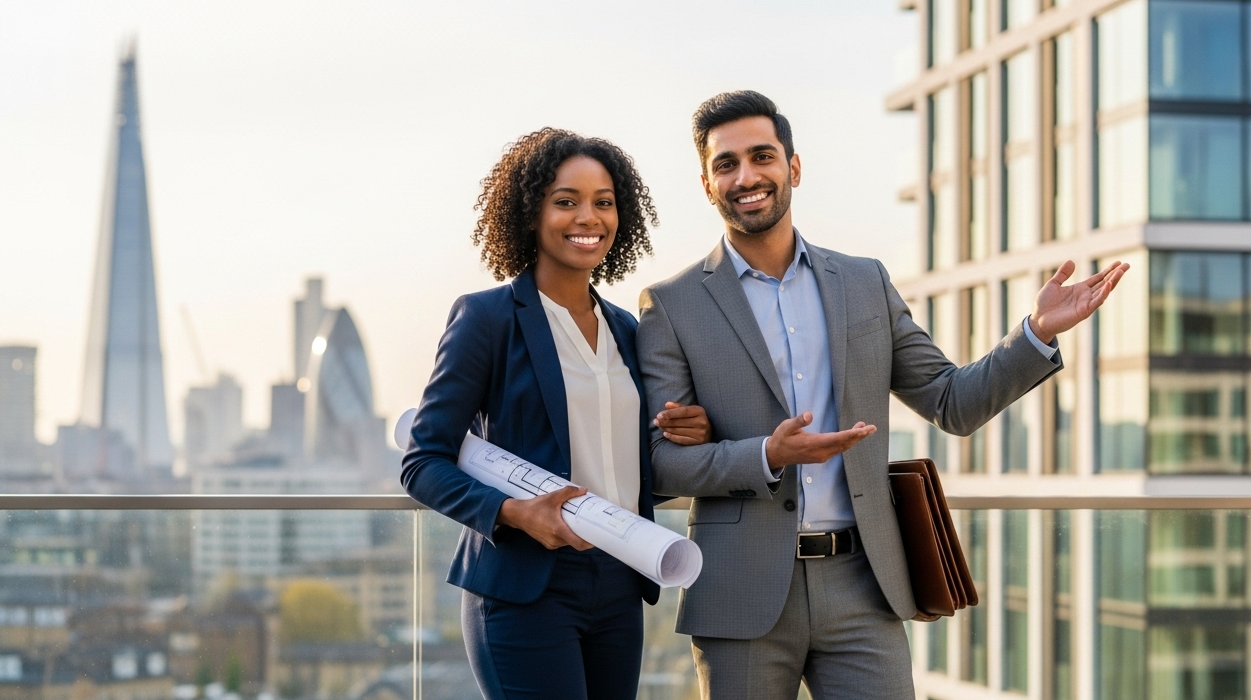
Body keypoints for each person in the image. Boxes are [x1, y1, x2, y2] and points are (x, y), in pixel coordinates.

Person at [637, 90, 1128, 699]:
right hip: (739, 594)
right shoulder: (672, 305)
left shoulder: (865, 282)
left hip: (864, 586)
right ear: (708, 185)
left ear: (793, 166)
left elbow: (952, 402)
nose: (747, 176)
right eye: (726, 164)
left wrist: (1035, 334)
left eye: (762, 156)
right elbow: (661, 462)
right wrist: (766, 455)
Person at [401, 128, 714, 700]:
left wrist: (685, 436)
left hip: (620, 579)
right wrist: (516, 512)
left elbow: (626, 461)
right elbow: (422, 463)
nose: (586, 217)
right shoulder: (487, 319)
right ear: (531, 212)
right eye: (565, 200)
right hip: (525, 588)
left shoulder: (628, 330)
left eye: (603, 202)